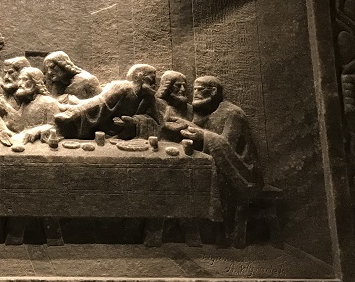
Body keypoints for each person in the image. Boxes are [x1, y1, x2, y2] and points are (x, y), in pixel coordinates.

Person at [180, 76, 263, 246]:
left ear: (213, 92)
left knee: (214, 180)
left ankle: (223, 234)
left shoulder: (233, 113)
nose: (195, 93)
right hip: (219, 163)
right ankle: (196, 232)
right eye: (194, 89)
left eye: (200, 89)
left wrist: (202, 135)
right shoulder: (205, 111)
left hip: (242, 170)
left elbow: (227, 147)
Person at [54, 63, 161, 139]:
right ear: (140, 76)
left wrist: (134, 122)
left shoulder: (148, 97)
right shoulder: (122, 87)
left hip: (118, 135)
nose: (155, 83)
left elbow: (155, 122)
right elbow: (99, 103)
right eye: (152, 78)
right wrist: (74, 112)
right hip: (98, 129)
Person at [12, 66, 61, 143]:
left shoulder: (49, 102)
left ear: (36, 83)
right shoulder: (25, 103)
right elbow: (18, 125)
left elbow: (57, 127)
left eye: (25, 79)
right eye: (19, 79)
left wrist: (37, 130)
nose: (19, 83)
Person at [0, 56, 30, 130]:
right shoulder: (7, 95)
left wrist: (1, 96)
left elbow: (21, 126)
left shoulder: (30, 98)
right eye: (5, 73)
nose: (6, 77)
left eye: (11, 72)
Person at [155, 70, 193, 141]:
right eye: (178, 86)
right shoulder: (157, 105)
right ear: (168, 87)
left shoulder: (189, 108)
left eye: (184, 86)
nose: (183, 89)